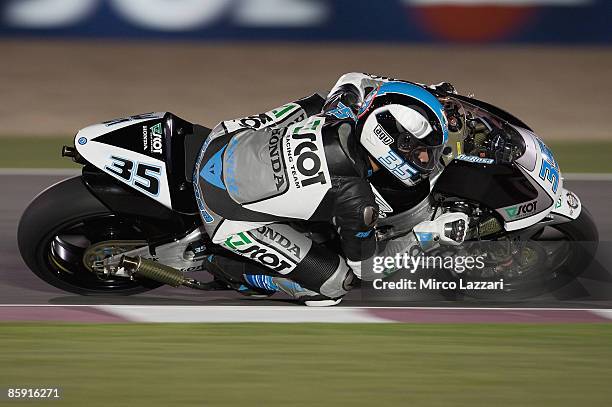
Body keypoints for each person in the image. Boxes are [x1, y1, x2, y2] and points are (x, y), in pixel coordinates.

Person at [193, 72, 467, 306]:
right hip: (223, 207)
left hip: (223, 140)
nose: (424, 161)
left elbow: (354, 78)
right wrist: (427, 236)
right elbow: (369, 270)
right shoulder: (357, 200)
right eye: (419, 152)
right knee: (335, 285)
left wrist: (421, 95)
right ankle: (232, 270)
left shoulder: (342, 112)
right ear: (385, 140)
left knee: (317, 103)